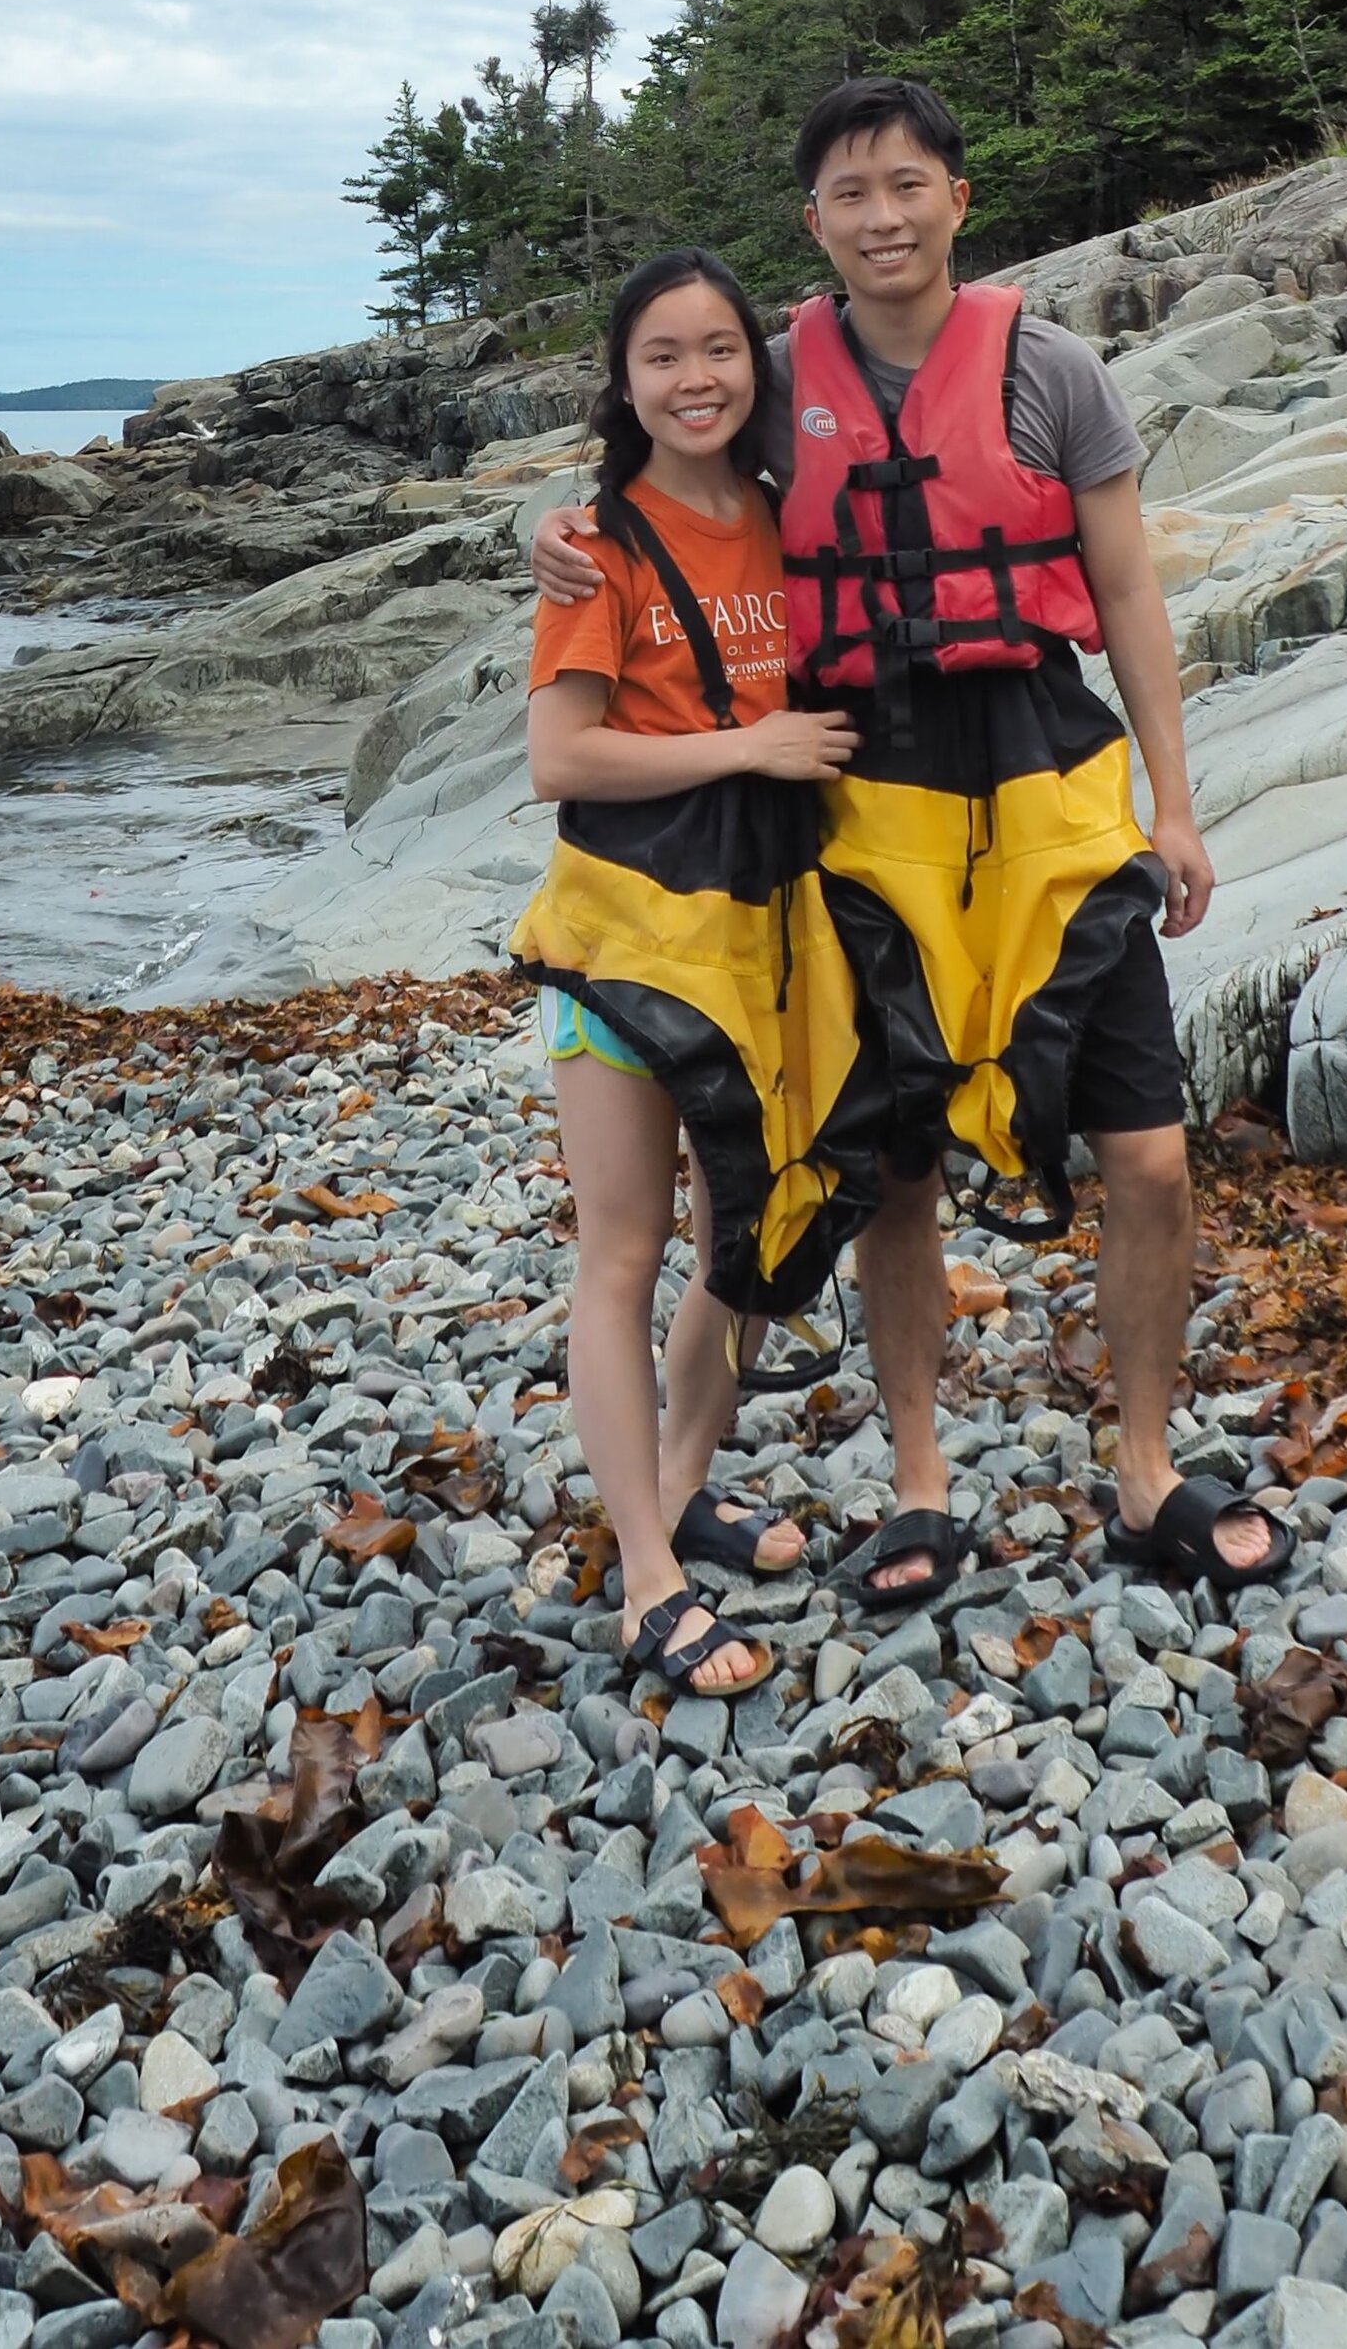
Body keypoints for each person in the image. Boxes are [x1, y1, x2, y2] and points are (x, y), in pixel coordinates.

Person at [531, 82, 1288, 1608]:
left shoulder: (1054, 371)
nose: (883, 217)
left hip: (1050, 792)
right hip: (861, 813)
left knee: (1145, 1155)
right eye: (850, 194)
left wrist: (1179, 802)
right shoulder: (770, 379)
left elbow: (1130, 593)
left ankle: (1146, 1470)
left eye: (908, 186)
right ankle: (921, 1481)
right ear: (812, 222)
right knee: (889, 1177)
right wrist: (552, 533)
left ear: (958, 196)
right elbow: (657, 477)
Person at [509, 248, 888, 1697]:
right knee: (620, 1249)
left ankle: (675, 1488)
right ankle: (648, 1585)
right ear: (623, 382)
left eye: (719, 349)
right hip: (616, 941)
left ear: (757, 365)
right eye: (662, 356)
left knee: (739, 1238)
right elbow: (560, 755)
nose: (695, 379)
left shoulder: (793, 524)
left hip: (759, 937)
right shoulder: (593, 549)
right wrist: (750, 745)